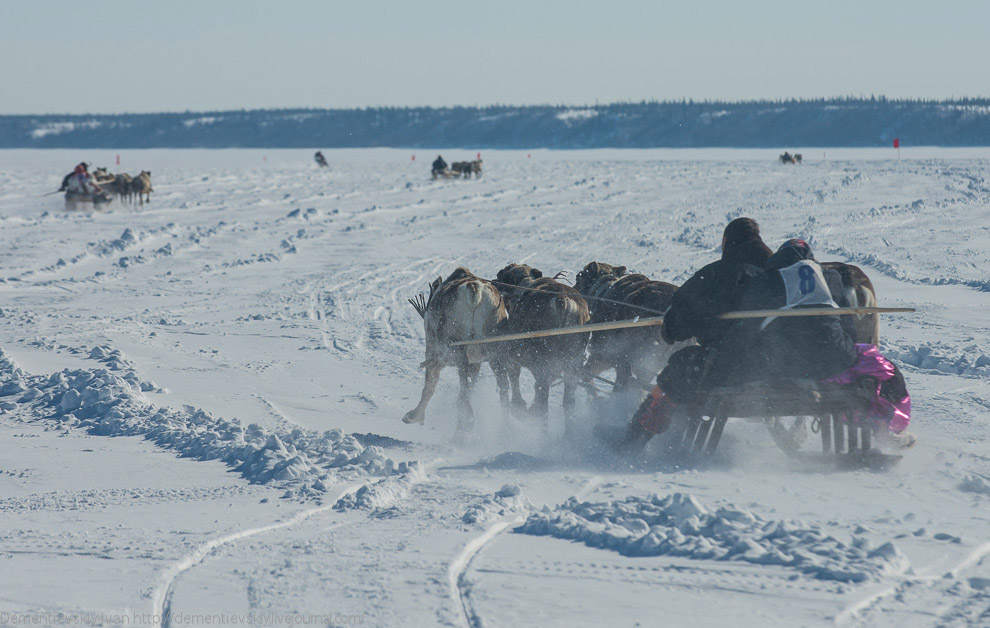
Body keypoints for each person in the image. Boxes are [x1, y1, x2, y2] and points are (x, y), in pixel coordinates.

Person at [611, 217, 772, 451]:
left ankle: (635, 437)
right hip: (773, 367)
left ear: (727, 241)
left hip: (726, 370)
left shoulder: (718, 274)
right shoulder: (776, 274)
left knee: (677, 370)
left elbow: (677, 322)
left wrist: (673, 329)